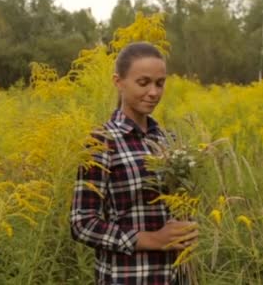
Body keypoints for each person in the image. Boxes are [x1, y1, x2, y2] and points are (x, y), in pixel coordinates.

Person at [70, 42, 199, 284]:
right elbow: (82, 223)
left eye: (160, 83)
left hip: (175, 276)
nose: (154, 92)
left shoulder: (169, 140)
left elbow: (180, 204)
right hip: (128, 277)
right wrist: (154, 239)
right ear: (118, 82)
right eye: (144, 82)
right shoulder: (100, 142)